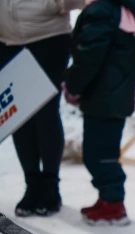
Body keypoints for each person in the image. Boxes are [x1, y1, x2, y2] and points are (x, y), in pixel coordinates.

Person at [64, 0, 135, 226]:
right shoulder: (122, 13)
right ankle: (107, 198)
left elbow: (88, 55)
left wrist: (73, 86)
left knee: (98, 154)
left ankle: (113, 205)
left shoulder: (102, 11)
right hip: (113, 97)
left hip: (103, 97)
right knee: (104, 151)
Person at [0, 0, 85, 217]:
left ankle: (50, 186)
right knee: (18, 115)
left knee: (46, 112)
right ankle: (32, 184)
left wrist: (50, 3)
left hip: (48, 38)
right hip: (6, 42)